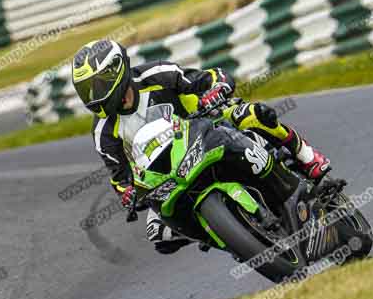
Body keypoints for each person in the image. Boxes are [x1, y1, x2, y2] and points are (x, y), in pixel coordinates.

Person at [71, 39, 331, 253]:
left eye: (96, 87)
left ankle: (306, 157)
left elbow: (210, 78)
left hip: (207, 131)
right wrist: (128, 193)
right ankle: (226, 235)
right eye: (86, 91)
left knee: (252, 114)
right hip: (167, 177)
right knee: (158, 234)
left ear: (115, 72)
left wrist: (215, 89)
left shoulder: (157, 75)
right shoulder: (103, 131)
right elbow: (119, 177)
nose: (93, 97)